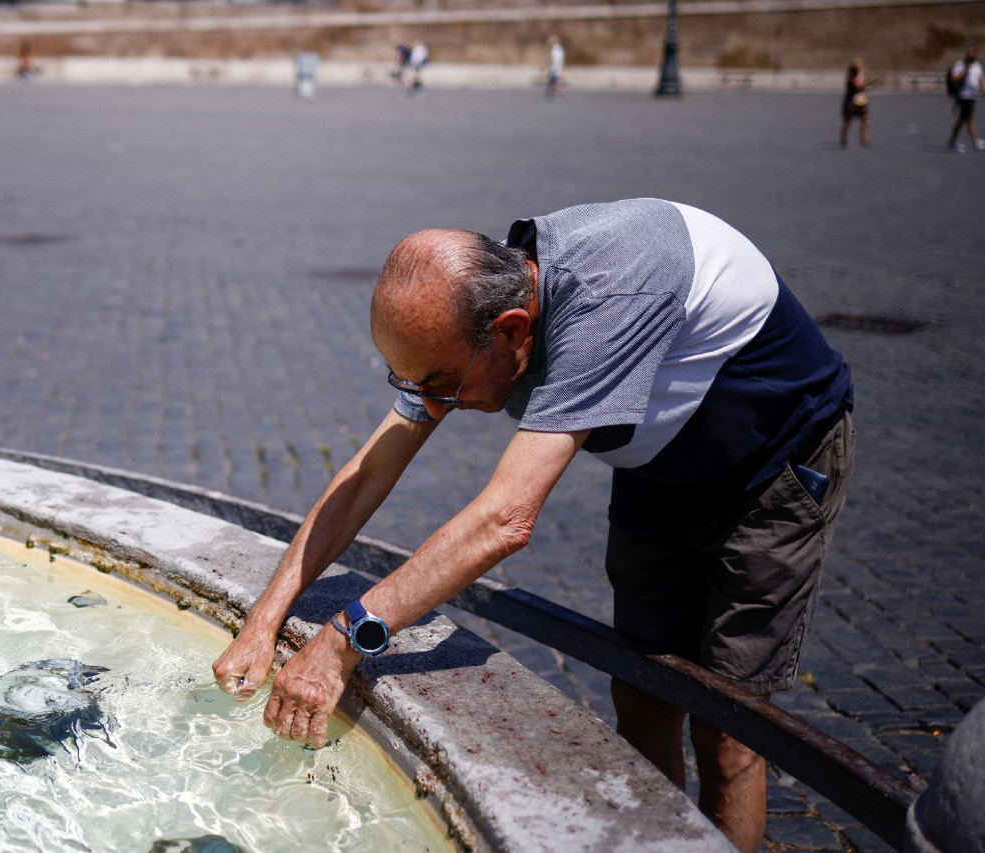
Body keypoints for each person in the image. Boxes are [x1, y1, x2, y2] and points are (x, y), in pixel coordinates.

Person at [212, 199, 855, 853]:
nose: (429, 404)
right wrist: (263, 622)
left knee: (729, 726)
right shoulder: (471, 314)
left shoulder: (607, 296)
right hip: (659, 465)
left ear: (515, 331)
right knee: (642, 695)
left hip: (772, 467)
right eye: (408, 380)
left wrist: (342, 640)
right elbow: (367, 476)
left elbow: (506, 519)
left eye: (440, 383)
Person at [948, 46, 985, 152]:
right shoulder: (960, 65)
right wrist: (963, 74)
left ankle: (952, 142)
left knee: (962, 120)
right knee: (969, 119)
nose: (970, 54)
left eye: (972, 53)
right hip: (964, 95)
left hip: (973, 96)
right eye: (969, 52)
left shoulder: (977, 66)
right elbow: (953, 78)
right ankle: (976, 141)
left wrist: (983, 90)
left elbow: (981, 79)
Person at [840, 59, 870, 148]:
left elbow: (860, 84)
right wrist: (861, 74)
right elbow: (857, 84)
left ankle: (864, 138)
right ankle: (843, 139)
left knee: (866, 119)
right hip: (852, 101)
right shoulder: (852, 74)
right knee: (848, 120)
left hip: (860, 100)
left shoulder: (857, 74)